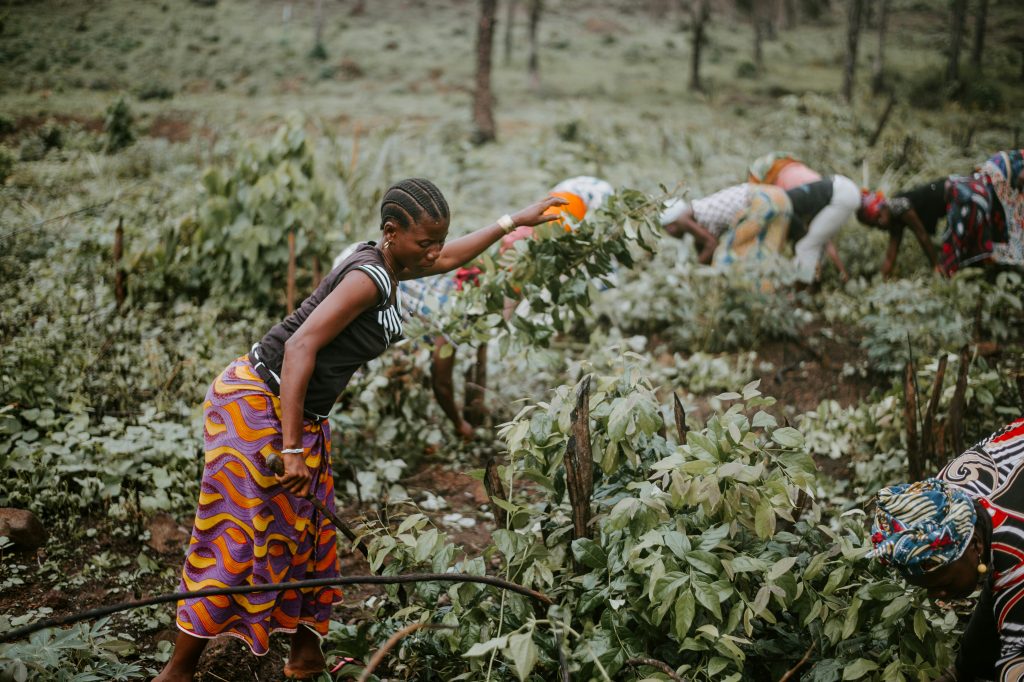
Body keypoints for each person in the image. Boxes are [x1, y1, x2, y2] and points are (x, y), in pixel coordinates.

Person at [153, 178, 565, 682]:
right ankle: (177, 671)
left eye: (439, 239)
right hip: (258, 405)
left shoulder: (395, 263)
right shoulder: (368, 276)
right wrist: (289, 450)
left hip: (300, 416)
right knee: (240, 539)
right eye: (425, 241)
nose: (434, 251)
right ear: (391, 232)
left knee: (314, 535)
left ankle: (306, 659)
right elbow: (301, 347)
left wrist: (511, 222)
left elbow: (446, 258)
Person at [869, 417, 1024, 681]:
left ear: (975, 545)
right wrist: (959, 672)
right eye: (928, 588)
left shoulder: (1016, 561)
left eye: (942, 583)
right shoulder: (945, 494)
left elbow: (1015, 653)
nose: (936, 596)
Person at [858, 150, 1024, 276]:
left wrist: (936, 265)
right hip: (963, 196)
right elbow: (890, 254)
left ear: (882, 208)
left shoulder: (899, 206)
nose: (880, 225)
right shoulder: (894, 221)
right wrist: (882, 282)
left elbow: (922, 236)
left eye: (878, 219)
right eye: (875, 225)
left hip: (962, 192)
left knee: (956, 255)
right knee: (962, 254)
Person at [660, 183, 791, 265]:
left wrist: (693, 271)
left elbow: (711, 245)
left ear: (671, 223)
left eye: (666, 228)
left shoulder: (683, 220)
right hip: (776, 196)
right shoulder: (698, 217)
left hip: (762, 201)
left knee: (729, 259)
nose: (669, 233)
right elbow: (705, 249)